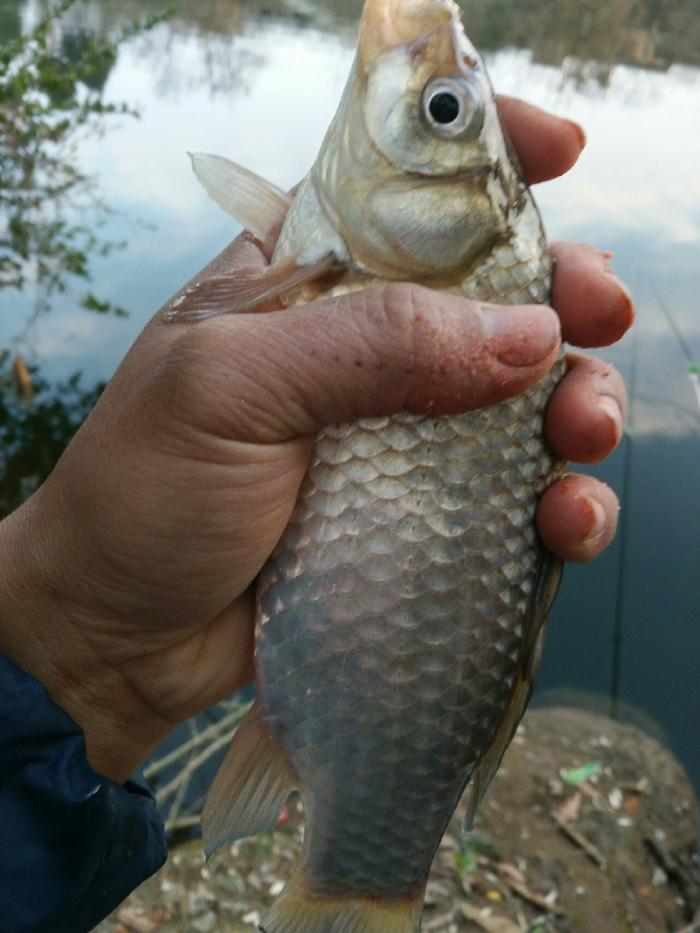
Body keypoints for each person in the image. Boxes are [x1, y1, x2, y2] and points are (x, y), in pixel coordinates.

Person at [0, 97, 631, 932]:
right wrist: (84, 657)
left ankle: (361, 887)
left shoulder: (335, 241)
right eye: (444, 109)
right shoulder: (348, 234)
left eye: (443, 110)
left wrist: (86, 661)